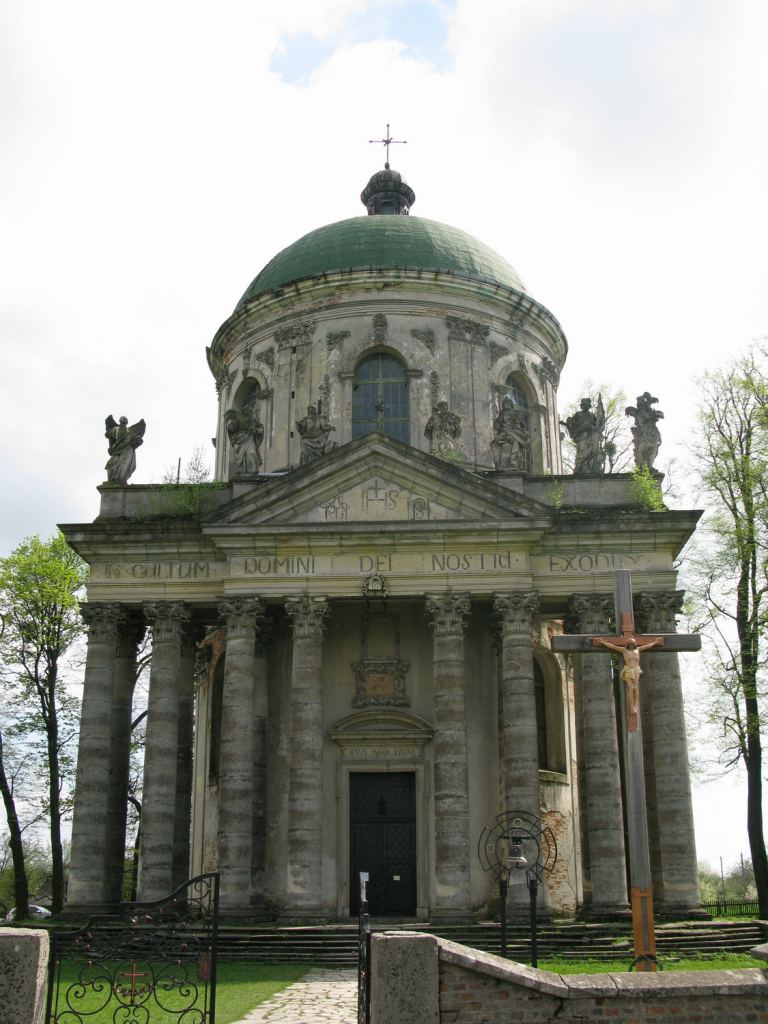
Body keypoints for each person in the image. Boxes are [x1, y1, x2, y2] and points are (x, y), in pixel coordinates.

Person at [594, 635, 664, 714]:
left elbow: (647, 646)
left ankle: (635, 706)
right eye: (629, 644)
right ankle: (631, 707)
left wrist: (655, 642)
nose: (631, 645)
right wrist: (603, 642)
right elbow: (613, 646)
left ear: (634, 644)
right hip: (628, 670)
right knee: (631, 688)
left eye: (632, 644)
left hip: (636, 670)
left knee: (636, 688)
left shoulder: (638, 649)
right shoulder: (624, 650)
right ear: (627, 644)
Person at [562, 396, 606, 474]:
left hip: (590, 437)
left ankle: (588, 466)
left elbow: (597, 425)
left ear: (589, 406)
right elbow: (572, 423)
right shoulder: (578, 414)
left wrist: (599, 422)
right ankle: (579, 467)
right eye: (583, 404)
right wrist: (568, 424)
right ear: (581, 406)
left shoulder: (592, 415)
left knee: (590, 453)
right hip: (581, 437)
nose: (584, 406)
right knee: (581, 452)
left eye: (586, 404)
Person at [625, 392, 664, 471]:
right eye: (639, 404)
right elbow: (642, 421)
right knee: (642, 449)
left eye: (641, 403)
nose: (640, 405)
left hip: (652, 433)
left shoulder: (648, 411)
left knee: (654, 448)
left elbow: (661, 415)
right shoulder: (638, 413)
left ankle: (649, 466)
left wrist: (654, 414)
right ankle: (641, 466)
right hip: (644, 435)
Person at [491, 397, 530, 470]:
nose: (507, 405)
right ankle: (504, 463)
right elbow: (497, 425)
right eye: (505, 403)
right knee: (497, 443)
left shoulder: (516, 412)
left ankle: (513, 461)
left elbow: (523, 423)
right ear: (503, 405)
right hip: (505, 431)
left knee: (514, 441)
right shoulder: (502, 414)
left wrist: (522, 426)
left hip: (515, 431)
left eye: (508, 403)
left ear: (511, 404)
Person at [105, 415, 145, 483]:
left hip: (127, 451)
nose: (123, 421)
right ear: (120, 421)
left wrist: (138, 441)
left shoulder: (130, 432)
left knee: (125, 465)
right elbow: (107, 434)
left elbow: (136, 441)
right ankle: (113, 480)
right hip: (117, 450)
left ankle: (120, 480)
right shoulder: (116, 429)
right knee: (113, 464)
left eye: (125, 420)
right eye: (122, 420)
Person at [226, 406, 264, 474]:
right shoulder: (238, 418)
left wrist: (256, 431)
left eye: (249, 410)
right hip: (239, 439)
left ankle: (252, 470)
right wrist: (230, 426)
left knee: (250, 454)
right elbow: (232, 427)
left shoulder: (253, 419)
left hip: (249, 438)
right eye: (246, 410)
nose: (247, 411)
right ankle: (241, 470)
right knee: (240, 457)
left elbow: (260, 429)